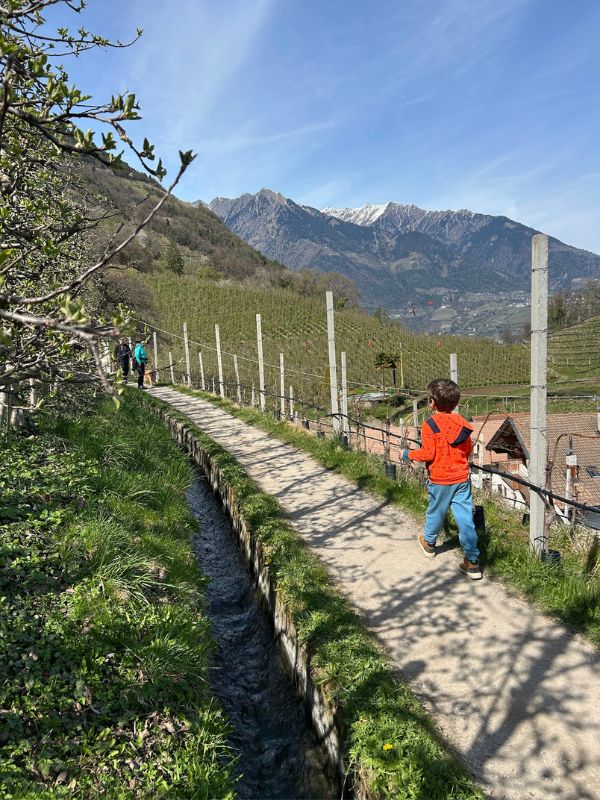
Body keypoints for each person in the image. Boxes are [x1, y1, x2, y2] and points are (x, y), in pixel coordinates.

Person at [402, 378, 482, 580]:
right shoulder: (463, 424)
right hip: (461, 478)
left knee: (436, 512)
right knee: (465, 518)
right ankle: (472, 561)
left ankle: (429, 543)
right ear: (455, 403)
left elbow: (428, 454)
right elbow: (468, 450)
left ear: (431, 403)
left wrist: (408, 454)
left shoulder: (430, 425)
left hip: (440, 479)